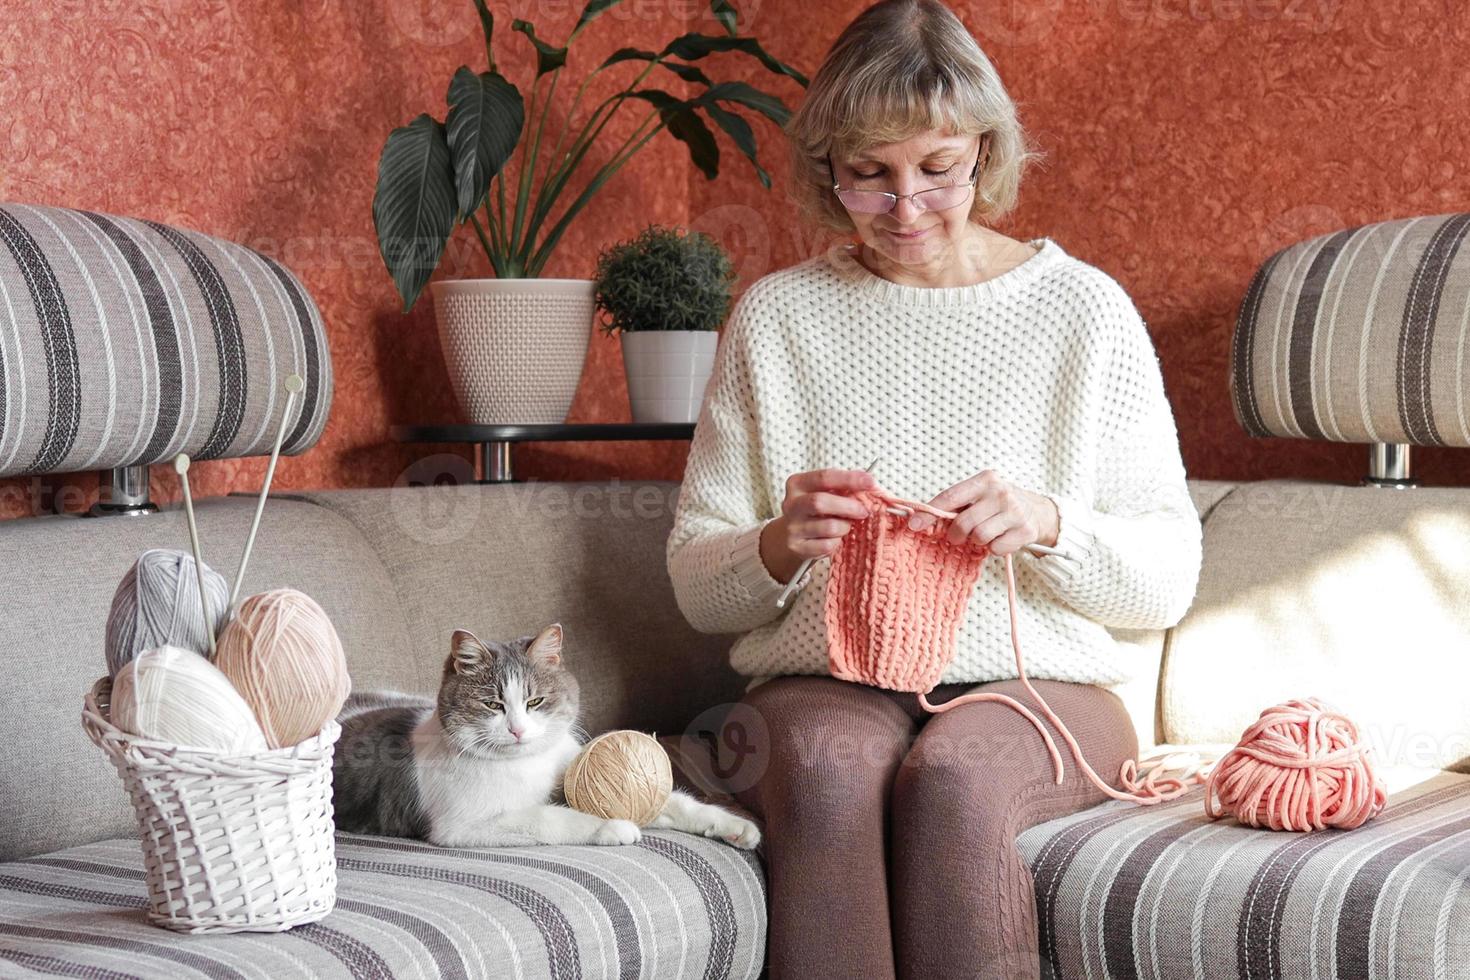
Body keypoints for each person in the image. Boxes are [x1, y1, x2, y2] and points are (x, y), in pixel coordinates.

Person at [665, 1, 1203, 977]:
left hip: (1046, 690)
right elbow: (697, 588)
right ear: (827, 169)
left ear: (985, 153)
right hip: (821, 687)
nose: (905, 206)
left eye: (937, 168)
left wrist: (1049, 523)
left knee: (955, 779)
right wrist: (780, 541)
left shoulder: (1084, 313)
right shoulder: (777, 318)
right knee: (828, 774)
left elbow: (1166, 578)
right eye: (869, 173)